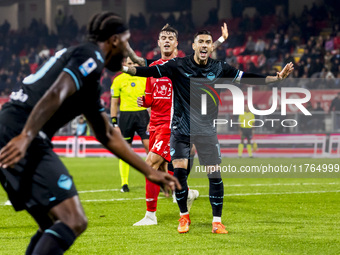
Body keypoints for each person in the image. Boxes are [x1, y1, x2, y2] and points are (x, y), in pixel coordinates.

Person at [0, 12, 179, 255]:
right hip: (22, 133)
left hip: (12, 129)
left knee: (54, 223)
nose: (128, 51)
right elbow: (56, 92)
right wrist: (26, 136)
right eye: (126, 42)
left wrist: (149, 172)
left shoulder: (89, 80)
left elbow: (106, 134)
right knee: (75, 220)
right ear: (115, 40)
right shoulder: (91, 55)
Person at [122, 28, 294, 234]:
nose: (204, 45)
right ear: (193, 46)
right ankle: (183, 217)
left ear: (211, 47)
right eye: (200, 42)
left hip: (205, 130)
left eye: (208, 42)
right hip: (180, 129)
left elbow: (247, 77)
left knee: (214, 175)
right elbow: (146, 71)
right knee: (178, 173)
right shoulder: (178, 65)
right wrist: (123, 69)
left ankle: (217, 222)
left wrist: (274, 79)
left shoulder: (220, 68)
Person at [128, 23, 229, 226]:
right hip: (156, 124)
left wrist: (220, 40)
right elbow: (150, 95)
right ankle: (187, 193)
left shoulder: (183, 64)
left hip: (174, 124)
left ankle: (151, 215)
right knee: (166, 169)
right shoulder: (155, 68)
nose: (166, 41)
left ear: (177, 43)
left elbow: (205, 50)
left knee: (150, 164)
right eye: (162, 37)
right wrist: (147, 110)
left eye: (170, 38)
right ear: (158, 42)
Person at [111, 57, 149, 192]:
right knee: (125, 150)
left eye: (134, 63)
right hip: (126, 117)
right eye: (129, 63)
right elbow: (114, 103)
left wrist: (152, 119)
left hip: (143, 115)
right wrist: (114, 123)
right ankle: (124, 183)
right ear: (125, 64)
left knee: (150, 148)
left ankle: (153, 180)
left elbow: (150, 100)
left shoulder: (144, 78)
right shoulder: (118, 80)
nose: (132, 65)